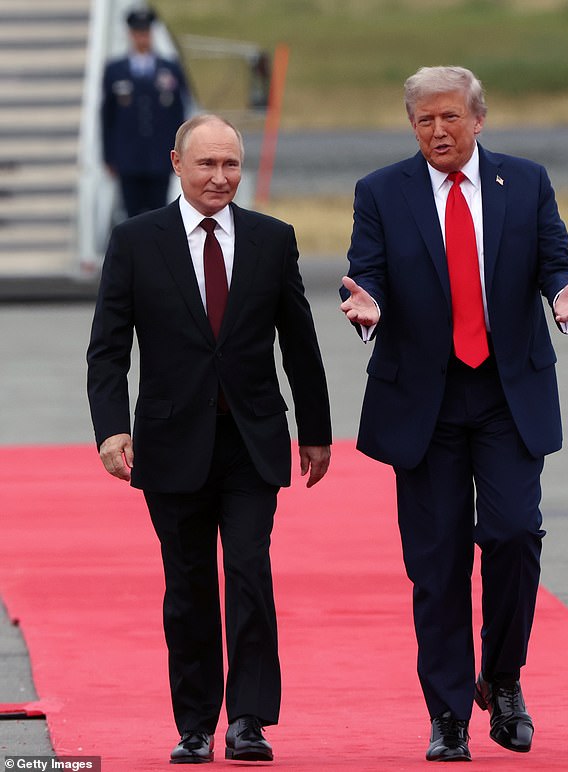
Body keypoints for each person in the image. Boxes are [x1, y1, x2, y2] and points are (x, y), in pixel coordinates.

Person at [340, 66, 568, 763]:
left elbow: (555, 261)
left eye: (450, 117)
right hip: (424, 399)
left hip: (507, 393)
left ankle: (503, 677)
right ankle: (448, 714)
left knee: (513, 533)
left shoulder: (527, 181)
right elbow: (369, 272)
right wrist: (367, 305)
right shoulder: (381, 191)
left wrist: (564, 298)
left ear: (478, 120)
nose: (438, 131)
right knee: (438, 562)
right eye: (424, 119)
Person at [87, 114, 332, 764]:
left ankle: (247, 720)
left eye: (231, 164)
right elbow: (108, 349)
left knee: (249, 572)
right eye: (206, 165)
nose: (220, 177)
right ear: (176, 163)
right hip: (171, 444)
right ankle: (194, 723)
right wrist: (111, 428)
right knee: (189, 583)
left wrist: (316, 431)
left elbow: (299, 342)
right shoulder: (137, 241)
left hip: (252, 441)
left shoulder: (271, 240)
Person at [101, 8, 189, 218]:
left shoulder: (169, 68)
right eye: (138, 32)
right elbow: (107, 116)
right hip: (128, 156)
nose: (142, 37)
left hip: (159, 154)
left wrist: (180, 151)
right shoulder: (116, 70)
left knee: (160, 212)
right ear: (130, 34)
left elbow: (179, 112)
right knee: (132, 214)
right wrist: (109, 156)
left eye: (146, 32)